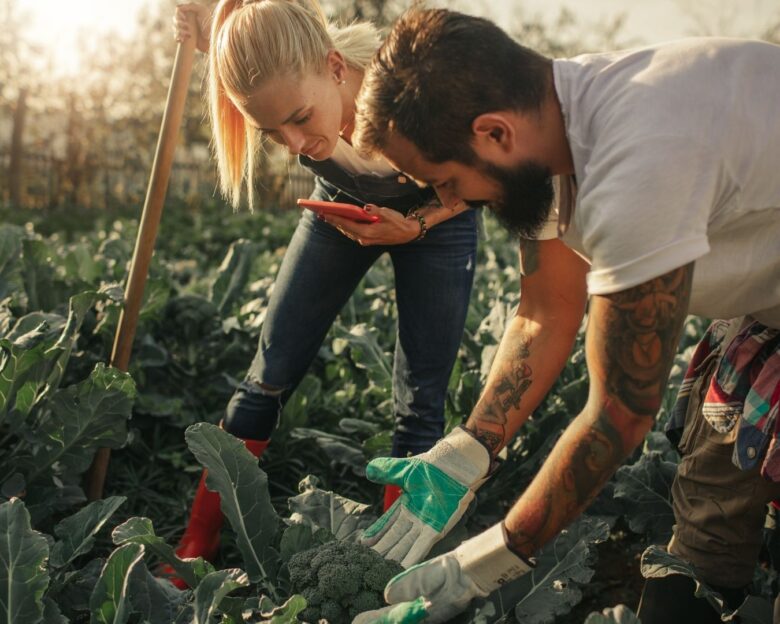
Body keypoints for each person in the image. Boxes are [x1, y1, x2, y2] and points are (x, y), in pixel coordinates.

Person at [348, 8, 780, 623]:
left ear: (494, 134)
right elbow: (547, 308)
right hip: (763, 316)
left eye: (443, 181)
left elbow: (620, 416)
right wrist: (469, 449)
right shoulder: (556, 127)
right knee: (701, 561)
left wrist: (484, 563)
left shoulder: (638, 162)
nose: (448, 203)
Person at [167, 0, 479, 587]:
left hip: (439, 222)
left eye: (300, 119)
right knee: (268, 371)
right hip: (342, 216)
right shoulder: (287, 78)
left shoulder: (421, 92)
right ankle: (196, 543)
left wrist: (416, 225)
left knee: (422, 397)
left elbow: (486, 175)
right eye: (271, 131)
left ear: (337, 69)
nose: (293, 143)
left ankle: (391, 565)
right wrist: (208, 35)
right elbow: (254, 62)